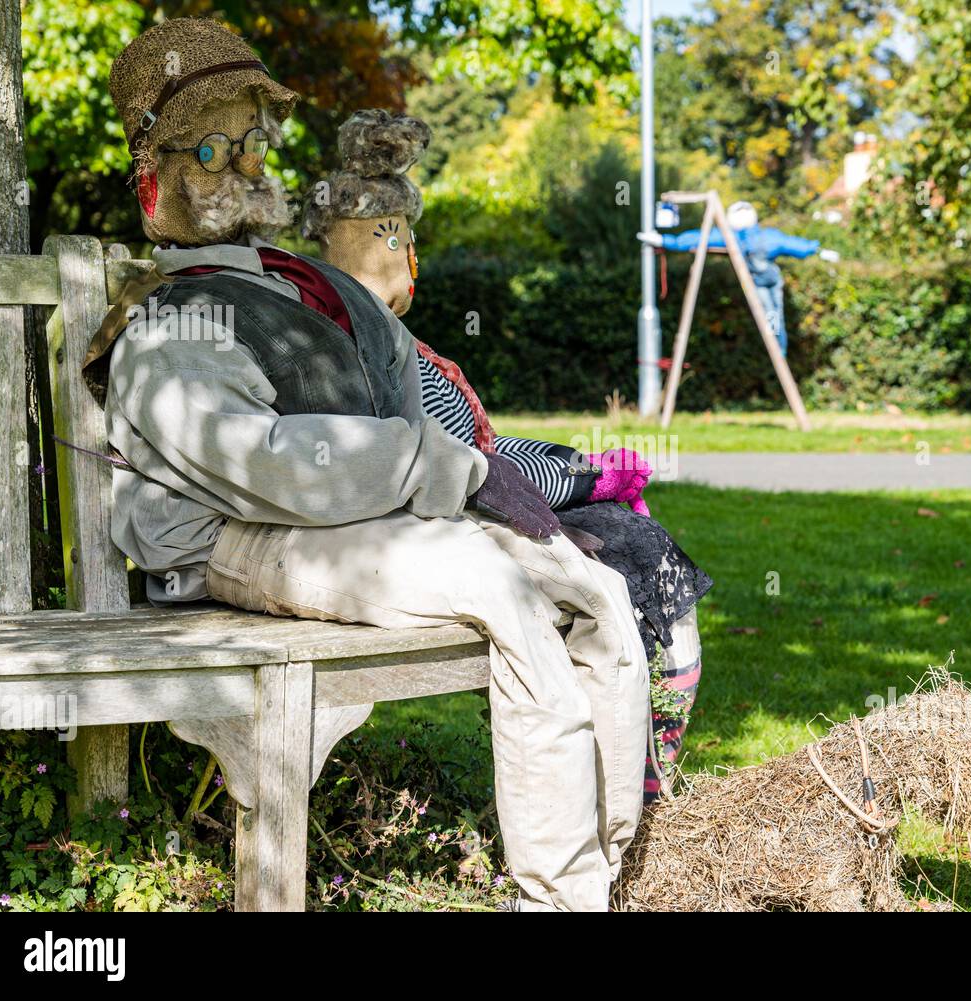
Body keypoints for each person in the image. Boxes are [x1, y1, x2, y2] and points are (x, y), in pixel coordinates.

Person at [89, 18, 649, 911]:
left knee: (595, 586)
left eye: (251, 139)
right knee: (504, 596)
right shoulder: (168, 322)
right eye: (209, 142)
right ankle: (561, 896)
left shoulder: (298, 280)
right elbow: (268, 465)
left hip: (364, 518)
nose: (242, 163)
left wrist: (486, 471)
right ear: (155, 173)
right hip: (231, 539)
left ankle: (620, 866)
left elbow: (409, 390)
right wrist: (440, 469)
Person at [301, 109, 713, 802]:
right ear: (380, 242)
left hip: (452, 514)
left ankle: (627, 773)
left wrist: (575, 463)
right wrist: (583, 478)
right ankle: (632, 779)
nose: (413, 257)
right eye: (399, 239)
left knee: (629, 539)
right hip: (445, 531)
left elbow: (481, 448)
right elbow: (471, 468)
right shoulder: (371, 348)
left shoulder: (375, 340)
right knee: (637, 548)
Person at [639, 201, 839, 355]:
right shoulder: (759, 236)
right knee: (773, 313)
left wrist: (665, 240)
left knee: (772, 314)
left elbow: (697, 238)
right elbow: (796, 245)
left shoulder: (740, 237)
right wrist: (818, 250)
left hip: (764, 282)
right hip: (763, 282)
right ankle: (779, 348)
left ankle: (780, 349)